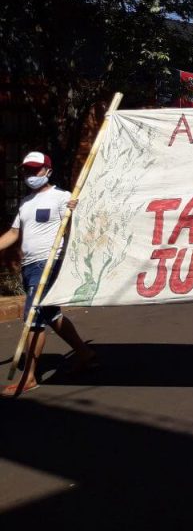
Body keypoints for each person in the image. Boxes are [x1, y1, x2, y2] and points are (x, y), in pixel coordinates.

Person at [0, 152, 96, 397]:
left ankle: (29, 377)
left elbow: (87, 221)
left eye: (36, 169)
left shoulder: (63, 197)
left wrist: (76, 209)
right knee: (50, 314)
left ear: (48, 170)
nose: (31, 175)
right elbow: (13, 234)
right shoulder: (26, 203)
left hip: (48, 263)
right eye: (28, 171)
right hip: (29, 265)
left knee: (32, 318)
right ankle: (85, 354)